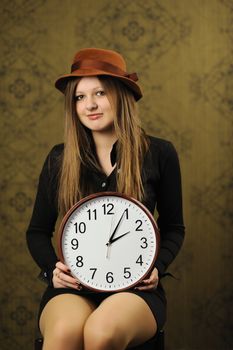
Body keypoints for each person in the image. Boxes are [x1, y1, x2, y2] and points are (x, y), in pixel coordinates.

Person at [26, 48, 185, 350]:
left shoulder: (159, 153)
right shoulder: (59, 159)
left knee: (101, 333)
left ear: (121, 95)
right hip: (74, 286)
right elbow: (36, 231)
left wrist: (156, 268)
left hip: (135, 289)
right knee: (62, 334)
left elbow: (174, 227)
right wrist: (52, 271)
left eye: (100, 92)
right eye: (80, 97)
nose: (90, 105)